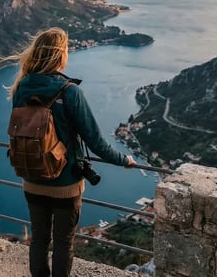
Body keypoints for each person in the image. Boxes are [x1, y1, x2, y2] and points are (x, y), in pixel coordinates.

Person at [8, 27, 136, 277]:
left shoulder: (22, 86)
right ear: (60, 56)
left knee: (39, 240)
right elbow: (96, 141)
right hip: (65, 183)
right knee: (64, 243)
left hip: (31, 178)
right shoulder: (70, 92)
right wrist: (124, 160)